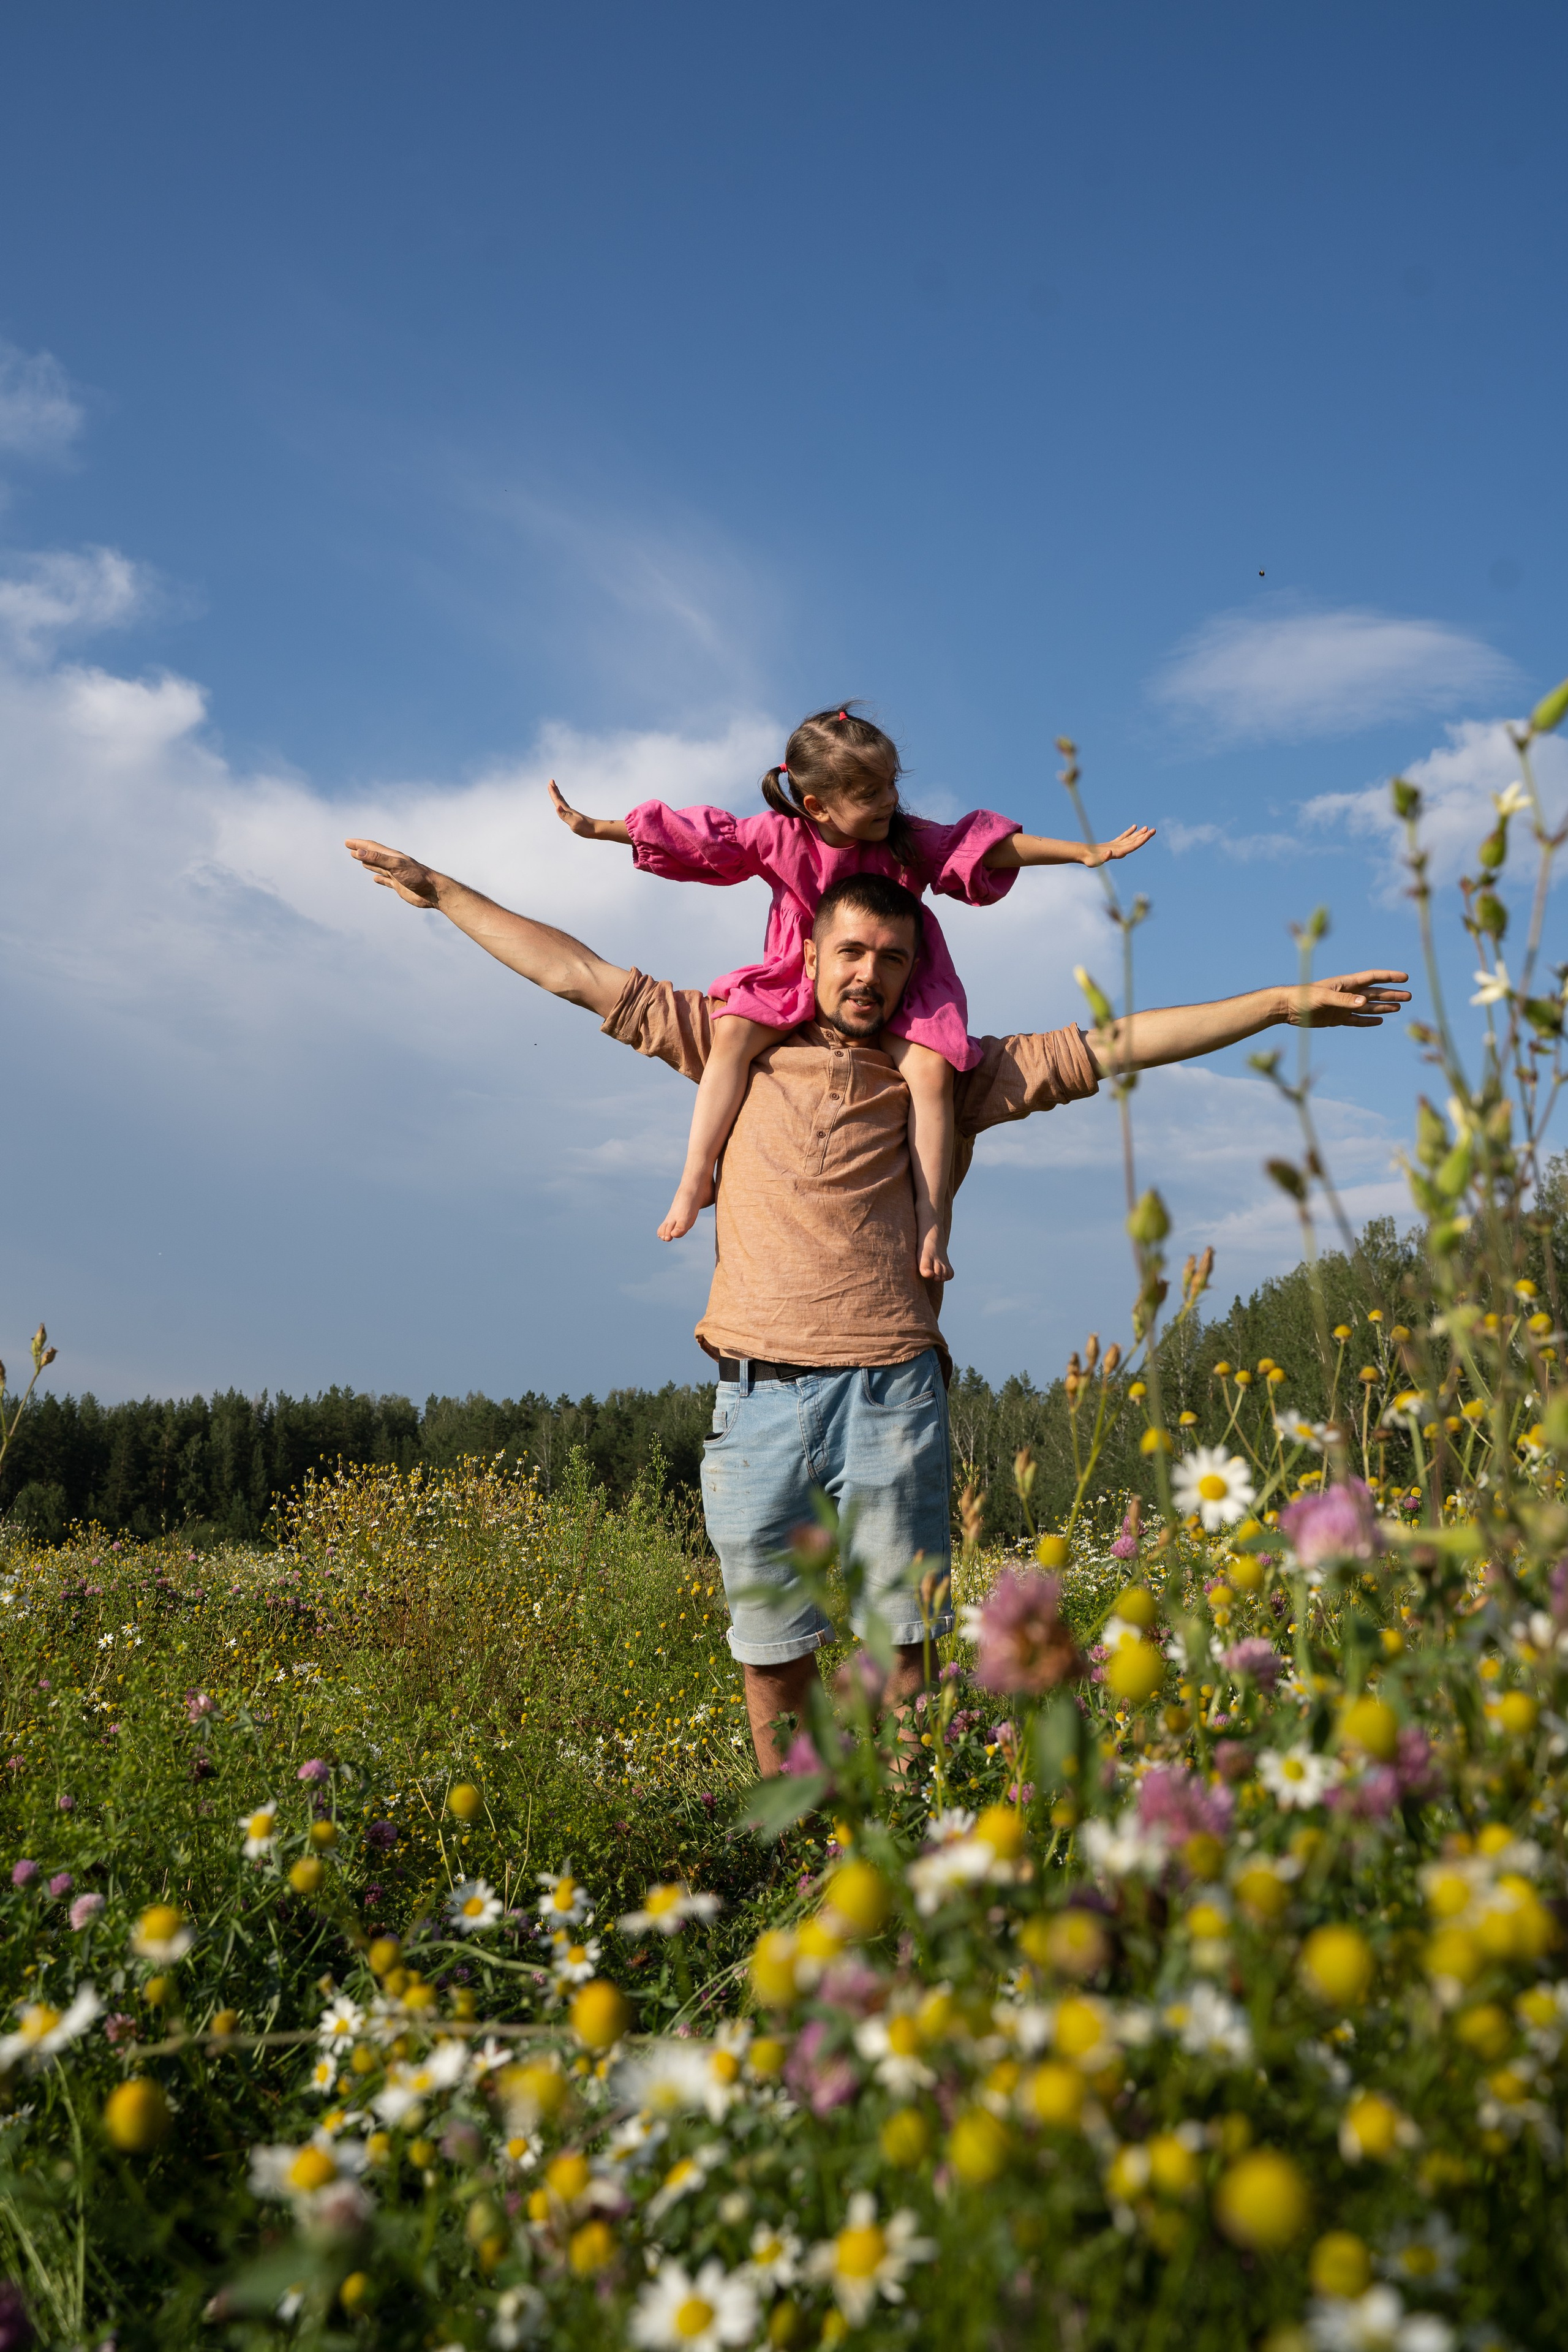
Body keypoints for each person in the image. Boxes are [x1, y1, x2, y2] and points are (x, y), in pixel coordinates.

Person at [344, 827, 1409, 1776]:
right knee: (773, 1653)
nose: (869, 975)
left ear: (915, 972)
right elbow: (577, 972)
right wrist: (443, 891)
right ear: (808, 953)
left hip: (891, 1393)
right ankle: (797, 1850)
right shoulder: (733, 1043)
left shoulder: (946, 1072)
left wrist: (1279, 1003)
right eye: (851, 953)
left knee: (909, 1646)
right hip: (756, 1397)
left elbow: (1116, 1044)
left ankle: (922, 1831)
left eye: (893, 960)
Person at [549, 704, 1153, 1282]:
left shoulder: (905, 839)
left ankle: (931, 1224)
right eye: (871, 794)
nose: (891, 800)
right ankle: (693, 1177)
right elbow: (698, 841)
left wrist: (1082, 853)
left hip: (900, 980)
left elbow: (980, 849)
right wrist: (597, 828)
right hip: (800, 969)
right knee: (730, 1032)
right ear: (818, 805)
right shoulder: (777, 836)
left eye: (892, 784)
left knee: (932, 1074)